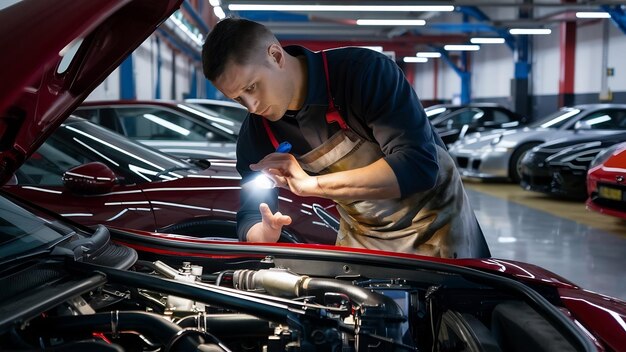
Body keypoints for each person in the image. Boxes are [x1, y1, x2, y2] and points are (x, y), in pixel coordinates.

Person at [201, 18, 490, 258]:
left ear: (276, 56)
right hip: (364, 238)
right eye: (238, 98)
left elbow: (418, 167)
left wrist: (313, 184)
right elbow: (251, 215)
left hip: (438, 227)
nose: (251, 106)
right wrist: (265, 232)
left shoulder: (363, 74)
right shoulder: (257, 134)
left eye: (252, 87)